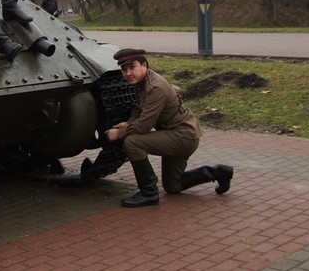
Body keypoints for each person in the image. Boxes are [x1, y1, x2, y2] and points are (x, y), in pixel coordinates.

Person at [100, 48, 234, 207]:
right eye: (124, 69)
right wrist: (128, 123)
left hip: (183, 136)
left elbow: (143, 126)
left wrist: (120, 132)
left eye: (132, 67)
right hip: (177, 133)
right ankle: (218, 172)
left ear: (144, 65)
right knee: (173, 186)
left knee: (132, 142)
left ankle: (148, 192)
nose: (128, 73)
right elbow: (139, 109)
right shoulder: (143, 81)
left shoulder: (155, 87)